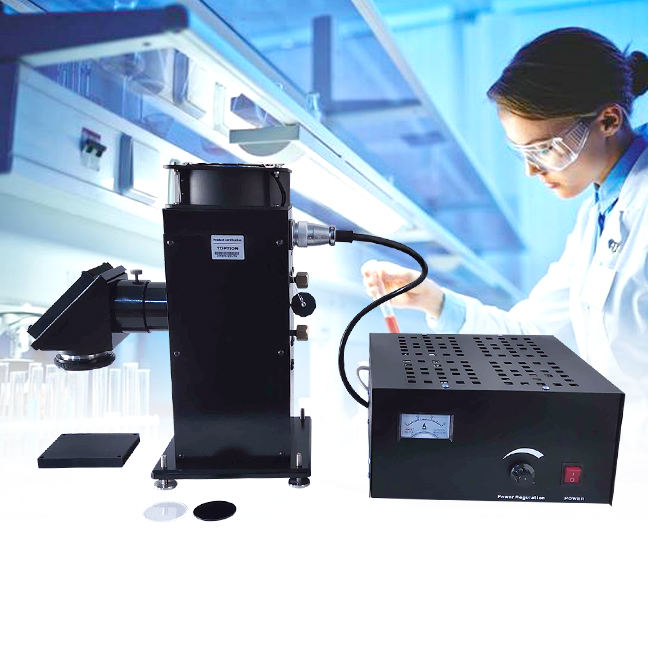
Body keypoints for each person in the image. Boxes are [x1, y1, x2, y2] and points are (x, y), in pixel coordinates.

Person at [362, 28, 648, 429]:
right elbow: (533, 334)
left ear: (608, 120)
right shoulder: (596, 216)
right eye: (522, 152)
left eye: (545, 148)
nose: (531, 169)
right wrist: (434, 301)